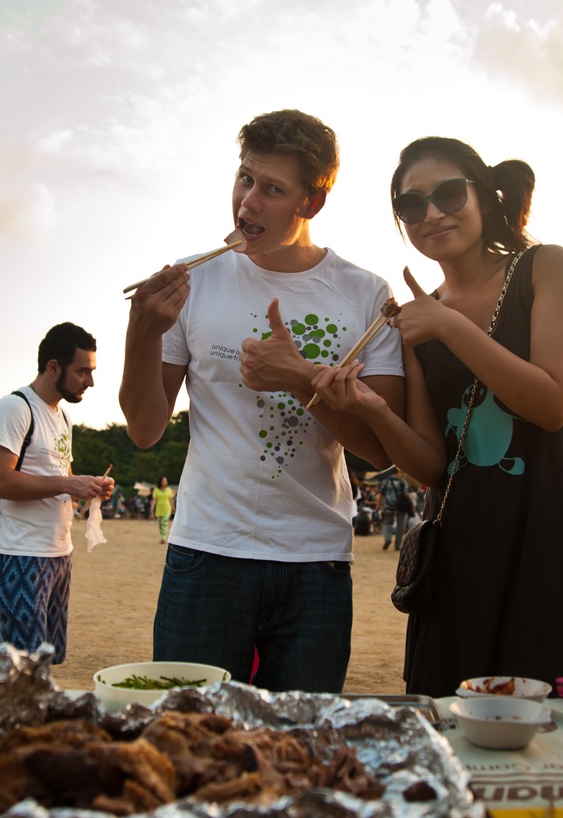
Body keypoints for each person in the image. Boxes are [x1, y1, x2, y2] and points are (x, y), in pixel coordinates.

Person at [309, 136, 563, 696]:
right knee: (454, 721)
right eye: (412, 205)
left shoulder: (545, 267)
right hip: (461, 548)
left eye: (449, 194)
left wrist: (448, 326)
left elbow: (552, 404)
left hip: (553, 532)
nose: (432, 213)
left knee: (558, 714)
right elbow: (430, 465)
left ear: (483, 195)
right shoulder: (414, 321)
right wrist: (373, 410)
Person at [119, 109, 405, 693]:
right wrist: (141, 334)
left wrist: (300, 379)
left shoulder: (365, 294)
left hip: (316, 558)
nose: (247, 202)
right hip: (206, 550)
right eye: (244, 178)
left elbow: (381, 450)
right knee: (191, 730)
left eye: (272, 189)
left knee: (298, 737)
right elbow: (145, 428)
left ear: (312, 203)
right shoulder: (193, 280)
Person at [0, 322, 116, 664]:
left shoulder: (63, 417)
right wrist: (68, 484)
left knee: (48, 660)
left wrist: (89, 487)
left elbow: (60, 476)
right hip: (19, 552)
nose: (90, 381)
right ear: (53, 366)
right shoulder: (14, 408)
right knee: (24, 664)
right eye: (82, 371)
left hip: (58, 552)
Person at [378, 468, 412, 551]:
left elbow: (381, 494)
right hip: (401, 506)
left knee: (387, 523)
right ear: (398, 473)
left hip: (388, 505)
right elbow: (406, 495)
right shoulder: (402, 482)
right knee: (400, 526)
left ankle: (388, 539)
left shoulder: (386, 482)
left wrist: (379, 505)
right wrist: (411, 505)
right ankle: (397, 545)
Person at [150, 476, 175, 544]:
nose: (165, 482)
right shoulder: (156, 490)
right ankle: (162, 536)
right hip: (159, 510)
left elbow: (171, 499)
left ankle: (163, 538)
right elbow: (154, 500)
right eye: (163, 481)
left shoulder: (169, 490)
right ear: (160, 482)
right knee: (160, 525)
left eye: (166, 481)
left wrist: (173, 508)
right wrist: (152, 508)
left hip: (167, 509)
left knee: (164, 522)